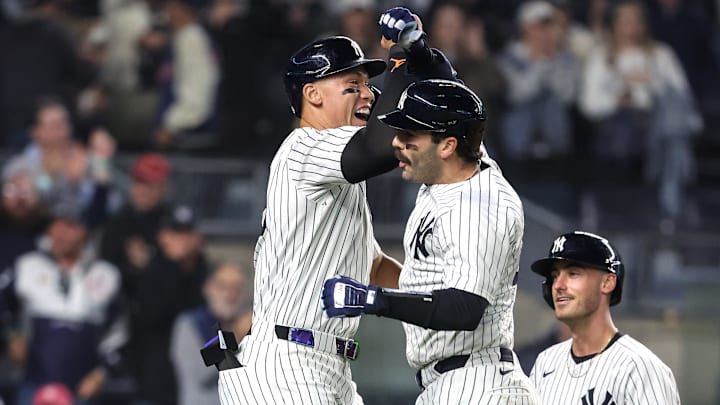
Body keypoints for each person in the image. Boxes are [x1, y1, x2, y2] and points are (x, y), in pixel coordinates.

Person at [216, 7, 461, 404]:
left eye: (370, 85)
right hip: (285, 365)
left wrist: (444, 300)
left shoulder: (340, 179)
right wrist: (407, 62)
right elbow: (383, 146)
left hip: (326, 367)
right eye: (353, 85)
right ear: (312, 95)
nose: (369, 94)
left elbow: (375, 268)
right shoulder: (302, 148)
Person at [321, 79, 538, 404]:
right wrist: (420, 53)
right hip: (453, 383)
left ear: (448, 145)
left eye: (410, 136)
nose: (397, 142)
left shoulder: (477, 208)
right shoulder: (459, 165)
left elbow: (464, 308)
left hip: (478, 384)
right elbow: (459, 105)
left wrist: (375, 300)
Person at [528, 231, 681, 404]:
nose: (558, 285)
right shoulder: (545, 362)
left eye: (573, 273)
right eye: (555, 276)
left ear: (607, 283)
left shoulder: (640, 368)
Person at [0, 202, 124, 405]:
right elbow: (2, 305)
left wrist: (102, 372)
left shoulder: (106, 274)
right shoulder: (28, 265)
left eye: (68, 226)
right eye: (54, 225)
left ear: (84, 231)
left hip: (82, 390)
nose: (58, 233)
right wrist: (11, 336)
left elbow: (119, 331)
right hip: (34, 383)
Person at [171, 262, 252, 405]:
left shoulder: (251, 324)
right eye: (222, 286)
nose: (230, 295)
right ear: (207, 288)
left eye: (237, 288)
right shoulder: (191, 323)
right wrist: (236, 335)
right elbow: (199, 375)